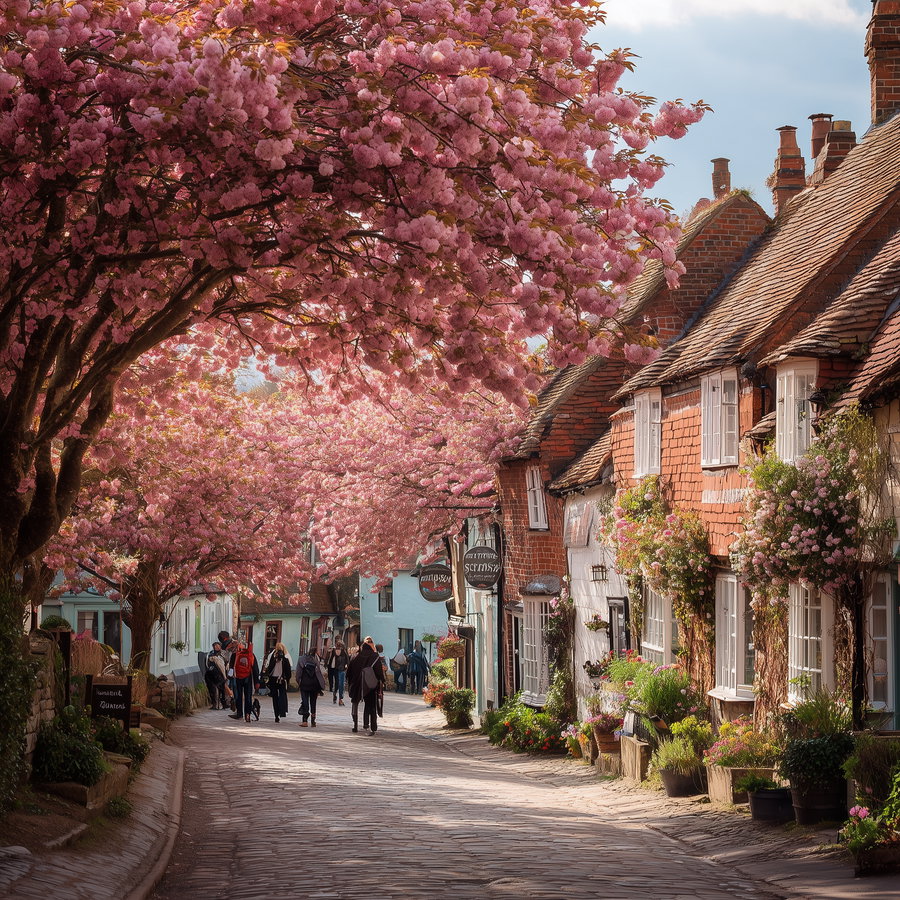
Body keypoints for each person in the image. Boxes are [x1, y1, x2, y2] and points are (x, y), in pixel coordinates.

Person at [347, 636, 385, 735]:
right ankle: (371, 726)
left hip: (356, 684)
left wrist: (350, 683)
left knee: (355, 703)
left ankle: (355, 725)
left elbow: (349, 672)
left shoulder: (355, 657)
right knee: (371, 704)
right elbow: (379, 671)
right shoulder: (374, 656)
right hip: (370, 684)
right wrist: (382, 681)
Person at [228, 639, 259, 723]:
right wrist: (257, 682)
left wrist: (230, 678)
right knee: (248, 696)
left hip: (238, 677)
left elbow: (231, 669)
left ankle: (239, 713)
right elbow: (255, 669)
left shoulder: (235, 655)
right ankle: (248, 715)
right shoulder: (250, 655)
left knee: (238, 696)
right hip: (248, 678)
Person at [296, 646, 327, 727]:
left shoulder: (301, 659)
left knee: (304, 701)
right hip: (314, 684)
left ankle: (305, 721)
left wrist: (298, 681)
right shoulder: (316, 660)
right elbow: (320, 672)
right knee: (313, 702)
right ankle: (313, 721)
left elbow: (298, 673)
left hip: (304, 683)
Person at [263, 641, 292, 723]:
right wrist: (287, 680)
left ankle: (276, 715)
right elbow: (288, 672)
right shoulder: (285, 658)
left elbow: (268, 668)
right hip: (281, 680)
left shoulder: (272, 657)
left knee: (275, 697)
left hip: (273, 679)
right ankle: (281, 711)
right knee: (282, 696)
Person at [325, 640, 350, 706]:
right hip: (341, 670)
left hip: (335, 669)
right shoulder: (343, 652)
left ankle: (335, 695)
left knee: (336, 684)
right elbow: (347, 661)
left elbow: (328, 659)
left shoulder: (334, 651)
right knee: (340, 685)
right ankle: (340, 699)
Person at [204, 641, 227, 709]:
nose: (216, 647)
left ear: (220, 646)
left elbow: (225, 663)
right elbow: (207, 663)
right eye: (215, 646)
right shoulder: (210, 654)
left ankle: (223, 704)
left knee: (222, 690)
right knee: (212, 689)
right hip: (212, 674)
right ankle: (214, 704)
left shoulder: (223, 653)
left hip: (220, 674)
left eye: (218, 646)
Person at [218, 630, 237, 711]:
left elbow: (226, 658)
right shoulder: (226, 646)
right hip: (229, 668)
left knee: (232, 684)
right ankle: (231, 699)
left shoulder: (233, 645)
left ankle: (233, 699)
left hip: (233, 668)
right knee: (228, 683)